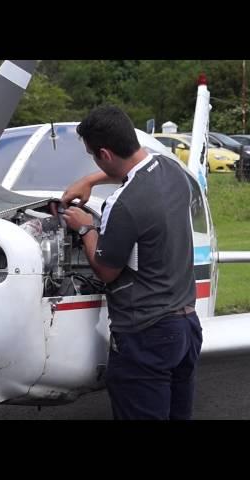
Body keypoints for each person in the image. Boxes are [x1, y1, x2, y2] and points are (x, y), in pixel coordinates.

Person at [60, 105, 203, 420]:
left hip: (145, 335)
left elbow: (107, 271)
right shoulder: (171, 169)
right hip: (186, 328)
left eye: (94, 156)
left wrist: (85, 227)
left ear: (105, 154)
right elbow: (132, 167)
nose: (95, 162)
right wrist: (92, 180)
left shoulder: (123, 206)